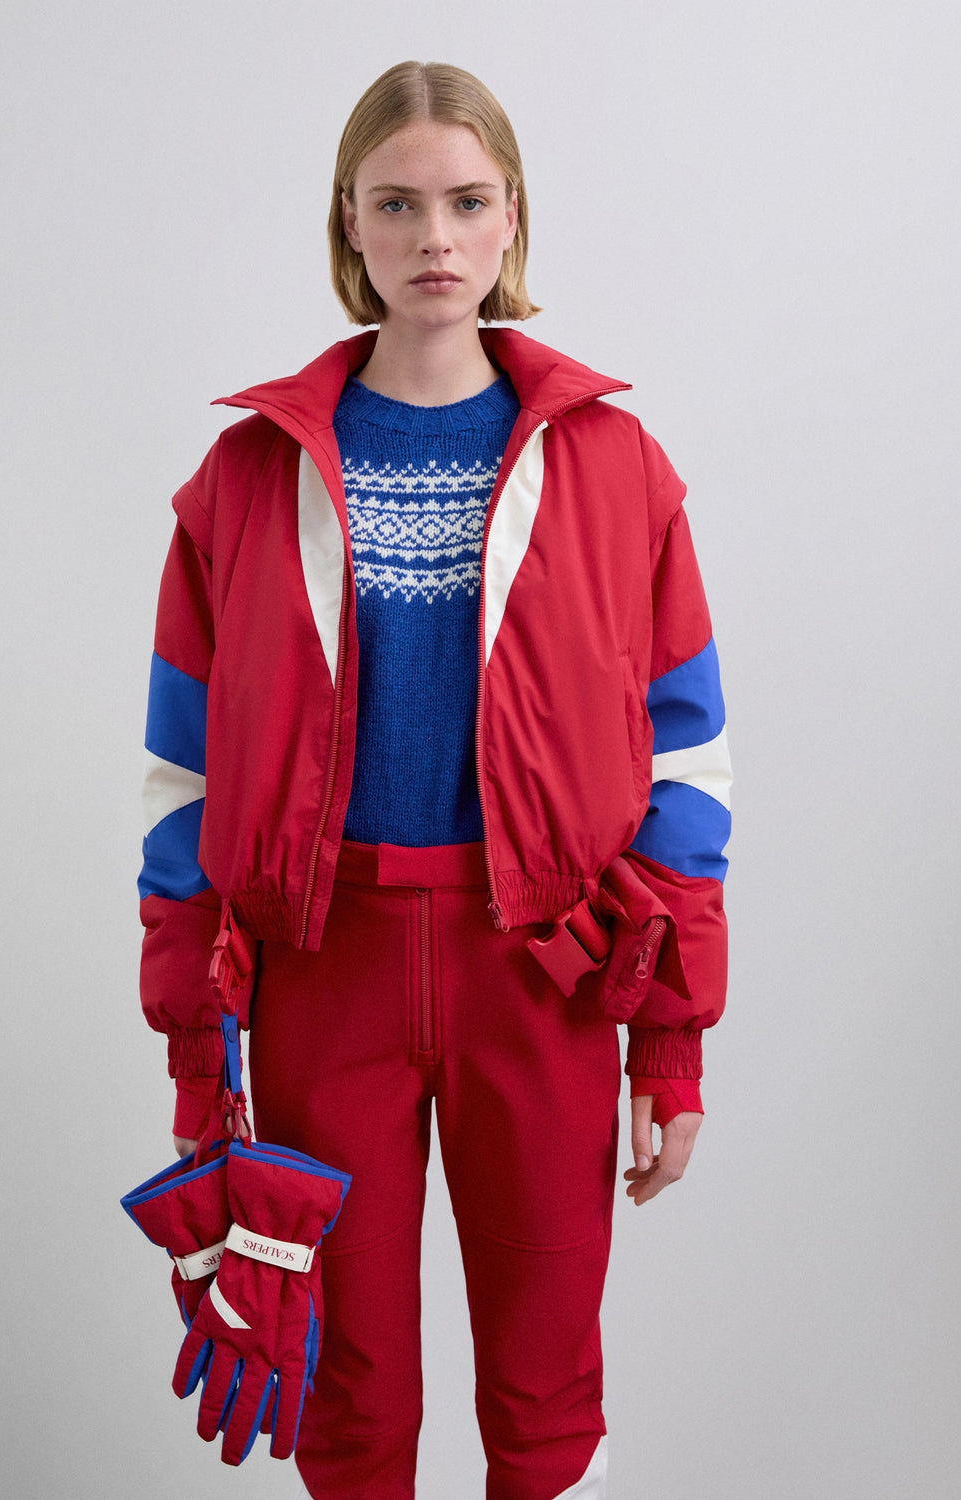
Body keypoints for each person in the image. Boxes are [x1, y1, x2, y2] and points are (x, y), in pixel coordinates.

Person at [137, 59, 730, 1500]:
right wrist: (198, 1050)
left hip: (541, 972)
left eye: (466, 202)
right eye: (395, 204)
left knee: (545, 1382)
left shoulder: (614, 466)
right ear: (348, 221)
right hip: (318, 970)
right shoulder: (246, 477)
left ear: (512, 215)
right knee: (342, 1386)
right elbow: (181, 776)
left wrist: (669, 1040)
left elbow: (686, 761)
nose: (434, 239)